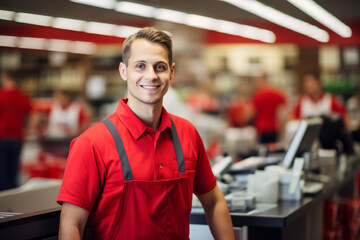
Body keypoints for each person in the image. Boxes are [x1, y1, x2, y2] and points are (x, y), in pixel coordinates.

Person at [57, 27, 234, 240]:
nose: (151, 76)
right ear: (123, 71)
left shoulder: (187, 134)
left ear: (172, 72)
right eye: (140, 66)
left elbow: (214, 200)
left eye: (160, 67)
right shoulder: (92, 143)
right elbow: (71, 224)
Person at [0, 70, 32, 191]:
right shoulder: (23, 96)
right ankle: (12, 201)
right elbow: (31, 116)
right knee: (13, 173)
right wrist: (27, 130)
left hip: (2, 139)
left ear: (5, 78)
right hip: (17, 139)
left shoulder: (1, 95)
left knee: (1, 173)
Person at [251, 74, 287, 143]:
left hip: (262, 128)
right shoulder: (277, 93)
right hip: (274, 128)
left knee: (263, 150)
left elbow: (253, 112)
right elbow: (283, 113)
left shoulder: (258, 94)